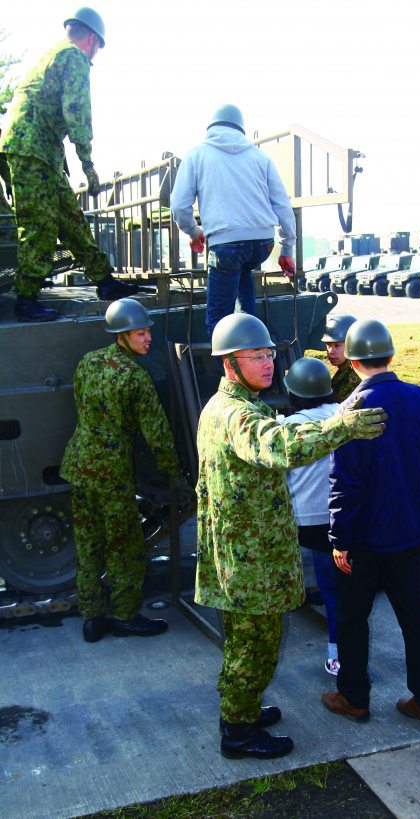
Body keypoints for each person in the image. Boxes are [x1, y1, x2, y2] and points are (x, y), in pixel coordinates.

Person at [195, 312, 387, 760]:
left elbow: (280, 433)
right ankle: (238, 734)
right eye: (256, 356)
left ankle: (238, 711)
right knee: (254, 646)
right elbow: (279, 446)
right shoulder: (237, 415)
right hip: (248, 561)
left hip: (247, 552)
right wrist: (343, 427)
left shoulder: (238, 406)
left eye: (269, 355)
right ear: (229, 364)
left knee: (252, 643)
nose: (268, 364)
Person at [322, 318, 420, 728]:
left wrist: (339, 539)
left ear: (353, 363)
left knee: (353, 618)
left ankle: (354, 697)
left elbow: (344, 482)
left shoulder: (350, 410)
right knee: (416, 615)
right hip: (410, 533)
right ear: (391, 356)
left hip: (364, 540)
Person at [60, 298, 195, 642]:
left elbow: (80, 404)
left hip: (78, 464)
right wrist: (176, 473)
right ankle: (124, 615)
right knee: (125, 546)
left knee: (89, 544)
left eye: (148, 331)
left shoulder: (87, 362)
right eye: (140, 333)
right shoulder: (135, 375)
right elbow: (157, 433)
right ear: (123, 335)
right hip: (110, 472)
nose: (148, 338)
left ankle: (92, 618)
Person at [0, 8, 138, 323]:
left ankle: (104, 281)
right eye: (98, 49)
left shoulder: (53, 54)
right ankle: (26, 298)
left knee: (71, 219)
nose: (95, 55)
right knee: (41, 224)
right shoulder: (73, 57)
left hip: (41, 151)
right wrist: (88, 164)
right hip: (30, 149)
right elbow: (76, 110)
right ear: (92, 39)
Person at [170, 104, 297, 340]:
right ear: (241, 129)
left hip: (226, 245)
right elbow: (282, 205)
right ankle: (251, 331)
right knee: (243, 272)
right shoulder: (261, 158)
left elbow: (179, 207)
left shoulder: (196, 155)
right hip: (262, 245)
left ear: (211, 128)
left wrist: (194, 232)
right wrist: (287, 248)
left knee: (217, 323)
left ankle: (230, 373)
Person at [282, 357, 341, 675]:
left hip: (311, 523)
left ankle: (338, 654)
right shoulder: (344, 413)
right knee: (345, 589)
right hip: (347, 517)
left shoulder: (289, 427)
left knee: (331, 590)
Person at [321, 313, 360, 401]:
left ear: (352, 344)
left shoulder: (355, 377)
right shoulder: (344, 370)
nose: (331, 351)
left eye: (337, 345)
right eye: (328, 345)